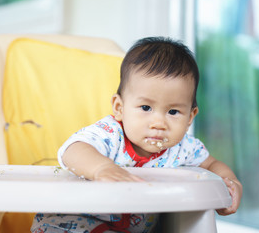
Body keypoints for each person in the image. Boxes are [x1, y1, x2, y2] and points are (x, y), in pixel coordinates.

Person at [31, 37, 242, 233]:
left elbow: (211, 165)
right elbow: (72, 150)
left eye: (173, 112)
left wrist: (230, 183)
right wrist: (102, 168)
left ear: (190, 117)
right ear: (119, 107)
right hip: (71, 223)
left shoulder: (183, 148)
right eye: (145, 107)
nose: (159, 123)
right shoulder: (111, 134)